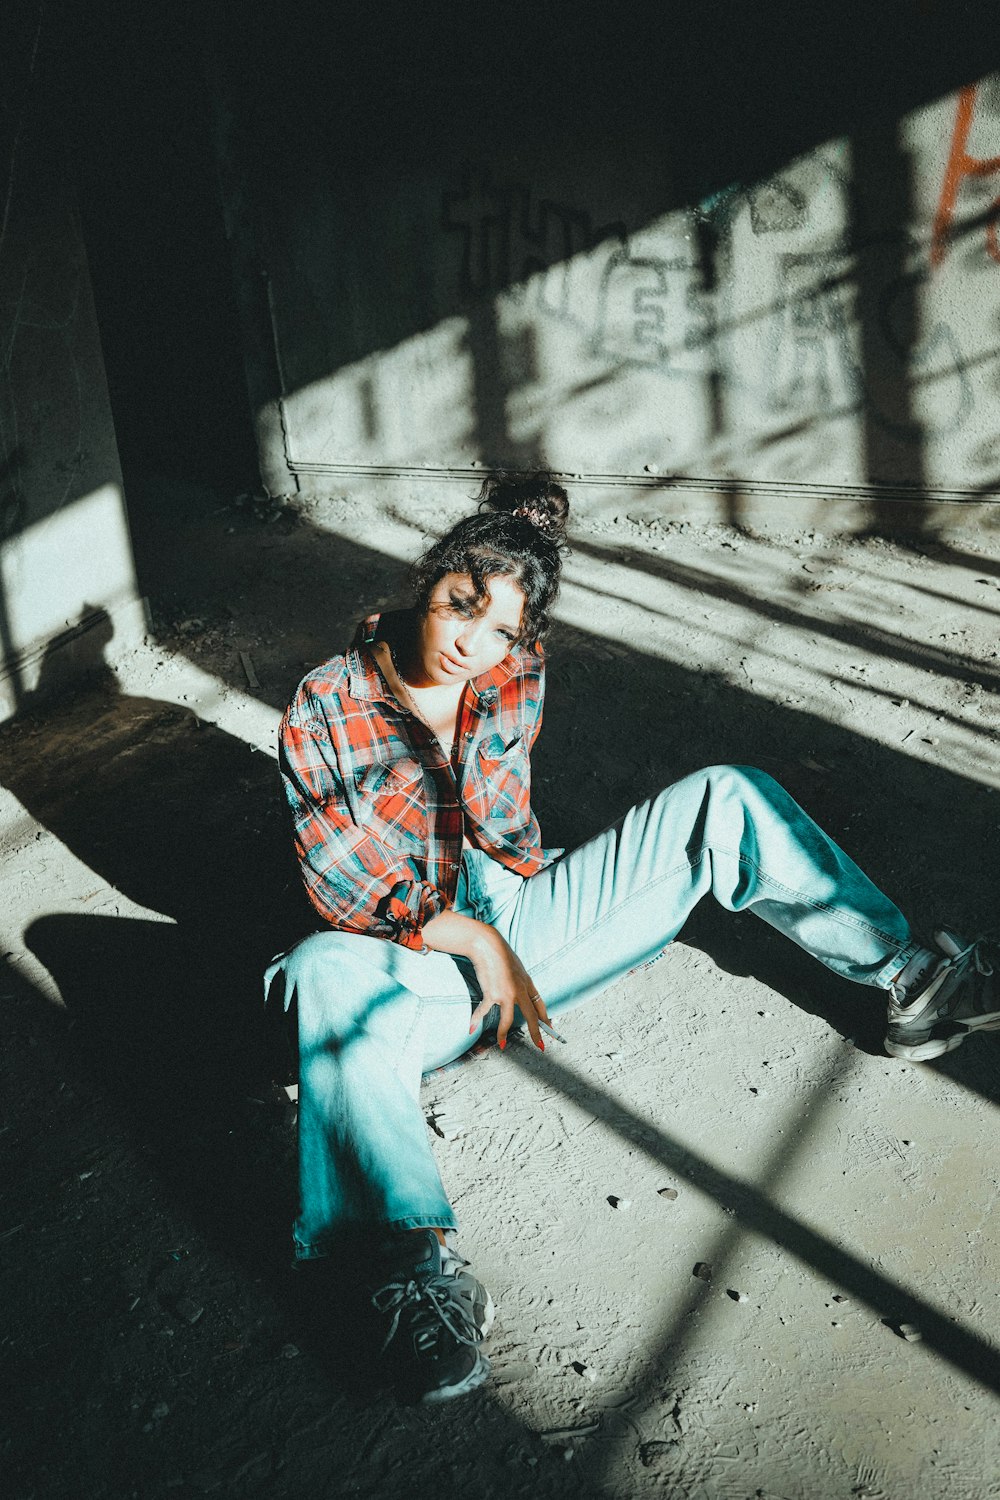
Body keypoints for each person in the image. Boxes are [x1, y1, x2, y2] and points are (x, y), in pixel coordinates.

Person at [267, 472, 1000, 1404]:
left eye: (501, 631)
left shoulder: (511, 666)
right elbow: (342, 883)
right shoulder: (325, 705)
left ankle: (917, 985)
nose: (471, 646)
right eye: (461, 608)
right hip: (412, 973)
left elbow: (507, 826)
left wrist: (521, 915)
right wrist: (471, 939)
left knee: (724, 795)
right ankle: (404, 1270)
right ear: (428, 580)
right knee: (319, 969)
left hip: (530, 921)